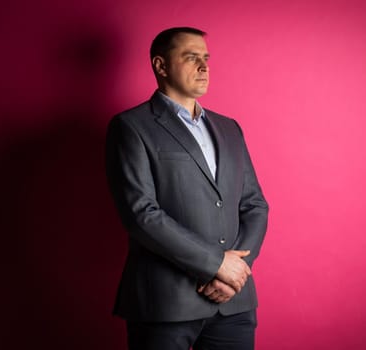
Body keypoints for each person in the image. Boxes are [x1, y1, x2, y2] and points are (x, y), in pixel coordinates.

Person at [105, 27, 269, 350]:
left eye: (206, 58)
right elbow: (141, 215)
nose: (204, 67)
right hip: (165, 304)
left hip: (234, 304)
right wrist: (217, 265)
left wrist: (237, 271)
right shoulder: (131, 127)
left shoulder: (229, 128)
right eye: (191, 58)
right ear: (161, 66)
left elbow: (255, 206)